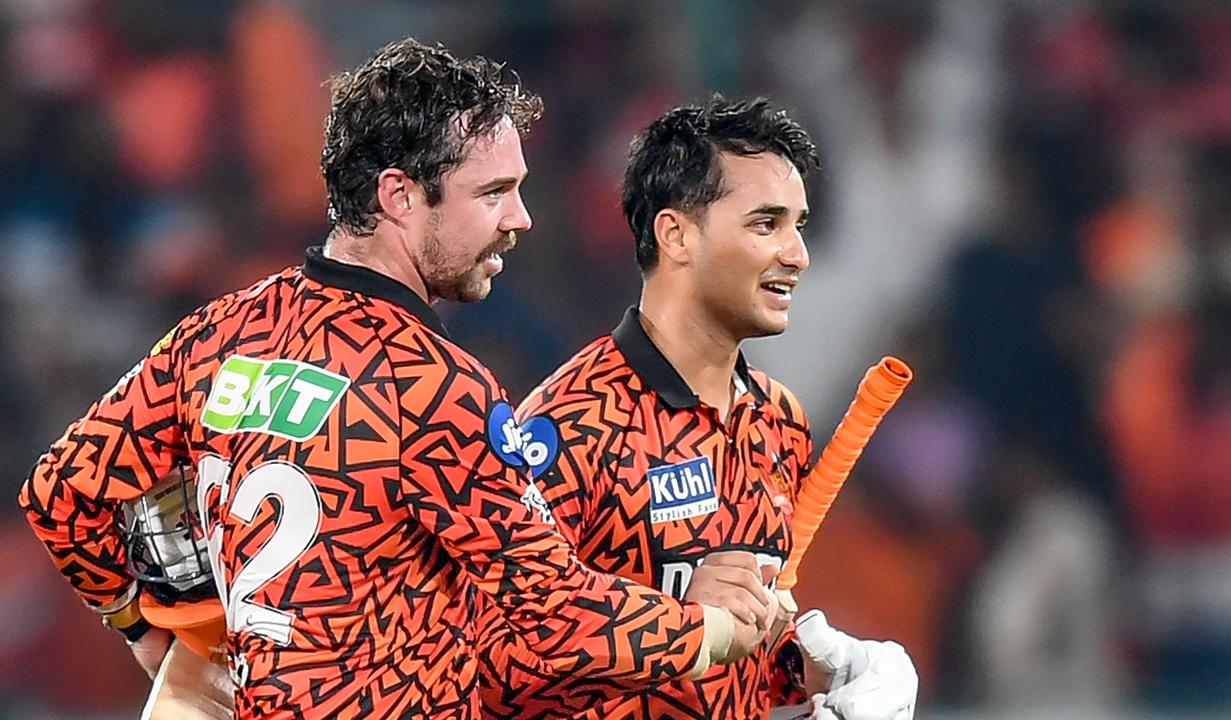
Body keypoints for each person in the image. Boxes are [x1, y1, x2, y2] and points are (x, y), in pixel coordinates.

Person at [17, 40, 773, 720]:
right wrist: (708, 626)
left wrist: (150, 628)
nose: (521, 218)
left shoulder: (220, 334)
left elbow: (61, 493)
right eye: (492, 193)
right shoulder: (433, 387)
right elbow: (551, 614)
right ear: (399, 196)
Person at [475, 97, 918, 719]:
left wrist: (821, 669)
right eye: (766, 224)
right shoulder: (568, 425)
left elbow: (745, 652)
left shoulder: (779, 420)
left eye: (799, 225)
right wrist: (675, 624)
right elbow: (487, 666)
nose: (797, 254)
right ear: (675, 234)